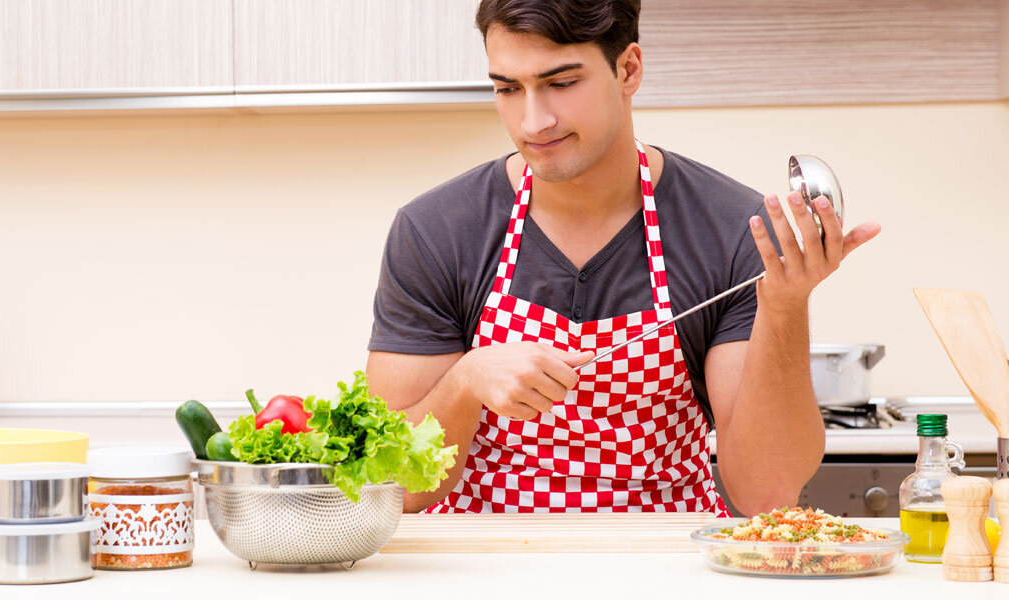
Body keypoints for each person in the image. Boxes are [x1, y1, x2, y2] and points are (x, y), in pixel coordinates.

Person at [365, 0, 880, 515]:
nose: (533, 121)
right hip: (483, 560)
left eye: (561, 83)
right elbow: (394, 489)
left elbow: (765, 493)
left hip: (668, 560)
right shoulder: (436, 231)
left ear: (628, 69)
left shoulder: (733, 230)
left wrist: (785, 309)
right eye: (507, 88)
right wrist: (465, 382)